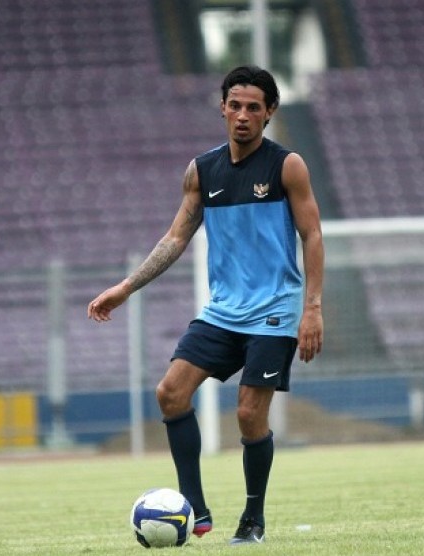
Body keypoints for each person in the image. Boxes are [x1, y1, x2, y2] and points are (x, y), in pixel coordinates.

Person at [88, 65, 324, 545]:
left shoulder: (287, 166)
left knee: (246, 414)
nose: (242, 116)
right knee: (170, 393)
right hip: (223, 310)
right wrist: (127, 286)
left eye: (253, 108)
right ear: (222, 108)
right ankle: (194, 505)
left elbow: (312, 234)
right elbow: (176, 237)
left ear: (269, 113)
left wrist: (312, 308)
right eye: (234, 105)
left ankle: (253, 518)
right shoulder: (202, 170)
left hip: (275, 310)